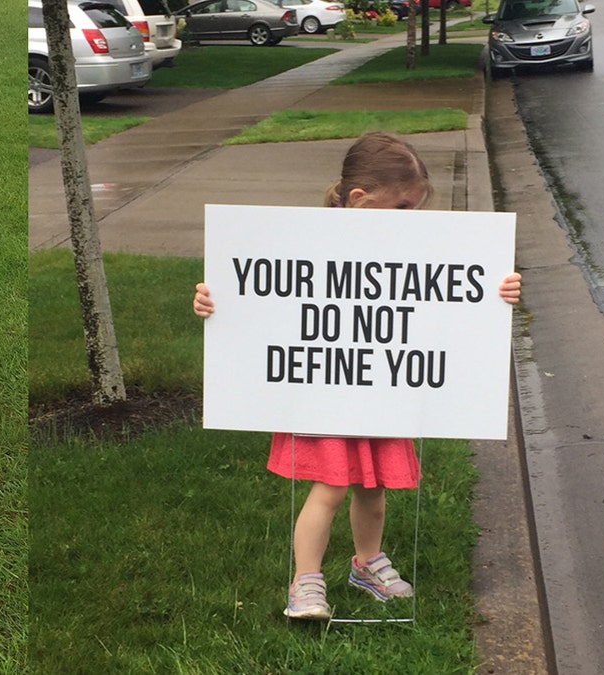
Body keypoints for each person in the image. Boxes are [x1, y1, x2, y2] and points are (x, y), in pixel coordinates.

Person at [192, 132, 521, 621]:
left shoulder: (414, 248)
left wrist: (500, 290)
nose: (412, 218)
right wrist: (214, 303)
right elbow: (262, 294)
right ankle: (306, 581)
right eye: (403, 207)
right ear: (359, 200)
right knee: (330, 488)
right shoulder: (301, 243)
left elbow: (449, 296)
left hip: (381, 391)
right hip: (322, 392)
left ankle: (367, 562)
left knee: (374, 486)